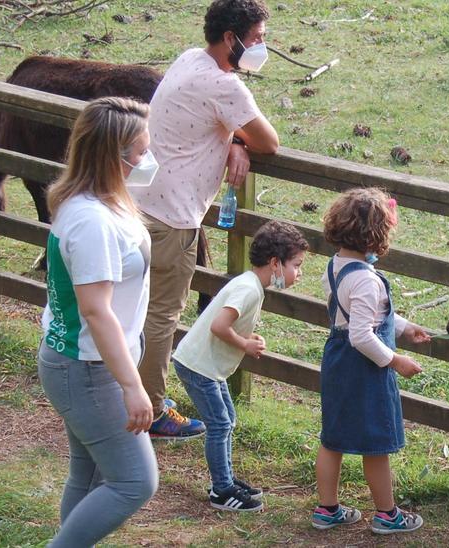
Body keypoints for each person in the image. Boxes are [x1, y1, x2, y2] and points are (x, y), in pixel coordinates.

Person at [131, 0, 280, 440]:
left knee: (134, 306)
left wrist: (233, 137)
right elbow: (269, 142)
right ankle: (153, 409)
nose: (260, 48)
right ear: (231, 39)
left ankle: (130, 390)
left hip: (138, 203)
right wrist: (241, 138)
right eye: (255, 39)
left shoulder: (188, 60)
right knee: (161, 315)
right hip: (173, 219)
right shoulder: (225, 87)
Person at [37, 97, 160, 547]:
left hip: (86, 364)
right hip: (88, 370)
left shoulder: (104, 202)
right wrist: (131, 385)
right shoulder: (90, 220)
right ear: (114, 157)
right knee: (134, 481)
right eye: (140, 152)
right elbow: (95, 310)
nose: (148, 160)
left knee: (89, 475)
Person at [311, 188, 432, 535]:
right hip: (364, 368)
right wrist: (396, 360)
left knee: (332, 438)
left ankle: (327, 508)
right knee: (376, 443)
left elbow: (351, 319)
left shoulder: (337, 266)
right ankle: (387, 514)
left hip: (337, 362)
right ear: (376, 236)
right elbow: (362, 335)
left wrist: (406, 327)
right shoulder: (366, 280)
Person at [172, 221, 307, 512]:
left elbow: (226, 325)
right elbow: (220, 326)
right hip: (198, 366)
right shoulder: (248, 289)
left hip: (206, 366)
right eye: (296, 265)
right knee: (220, 424)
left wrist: (246, 337)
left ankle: (227, 478)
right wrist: (244, 344)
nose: (299, 273)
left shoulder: (251, 285)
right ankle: (221, 490)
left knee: (227, 420)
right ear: (275, 263)